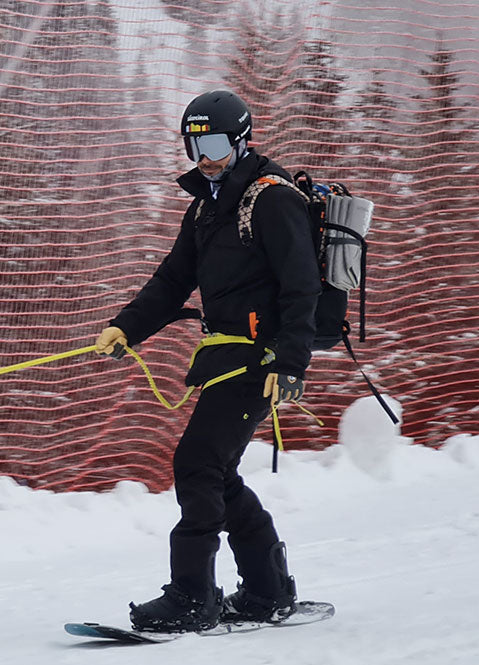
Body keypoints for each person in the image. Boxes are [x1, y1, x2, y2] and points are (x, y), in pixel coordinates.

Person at [95, 89, 320, 632]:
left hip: (262, 360)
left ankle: (193, 599)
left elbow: (301, 285)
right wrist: (126, 327)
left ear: (243, 140)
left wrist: (290, 363)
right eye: (194, 146)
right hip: (225, 355)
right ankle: (268, 591)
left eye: (215, 143)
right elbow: (174, 279)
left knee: (197, 464)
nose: (205, 157)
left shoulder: (271, 199)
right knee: (217, 474)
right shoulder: (206, 206)